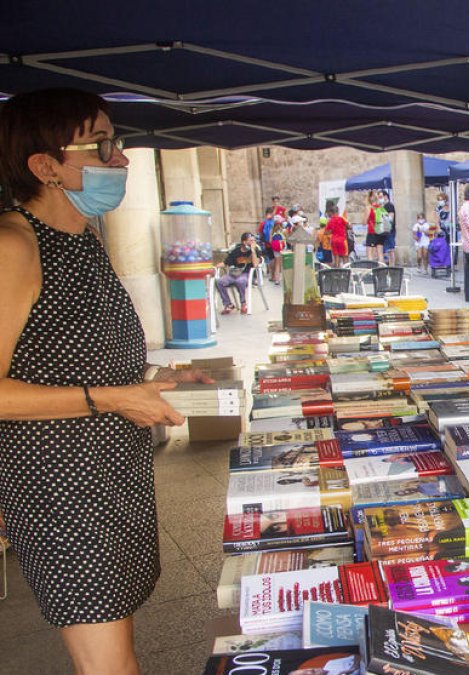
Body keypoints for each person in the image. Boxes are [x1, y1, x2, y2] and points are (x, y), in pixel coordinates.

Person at [0, 88, 213, 675]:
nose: (120, 160)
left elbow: (69, 356)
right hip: (60, 488)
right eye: (101, 145)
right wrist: (111, 397)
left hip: (110, 470)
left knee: (122, 637)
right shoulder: (14, 245)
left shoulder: (82, 241)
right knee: (109, 663)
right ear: (45, 166)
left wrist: (153, 377)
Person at [216, 232, 260, 314]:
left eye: (254, 241)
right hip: (235, 273)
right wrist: (216, 266)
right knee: (219, 282)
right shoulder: (236, 251)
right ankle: (228, 304)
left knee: (240, 281)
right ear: (244, 242)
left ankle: (243, 303)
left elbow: (255, 264)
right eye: (251, 241)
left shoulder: (255, 250)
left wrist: (253, 251)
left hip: (247, 274)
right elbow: (226, 262)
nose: (253, 243)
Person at [364, 191, 384, 262]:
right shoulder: (380, 208)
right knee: (380, 254)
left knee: (370, 254)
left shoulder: (369, 208)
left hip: (372, 232)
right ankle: (382, 270)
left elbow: (364, 222)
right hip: (380, 232)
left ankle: (372, 270)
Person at [378, 191, 397, 266]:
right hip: (383, 231)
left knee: (390, 250)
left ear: (385, 196)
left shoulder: (389, 205)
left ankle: (392, 266)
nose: (380, 199)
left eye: (381, 197)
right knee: (383, 250)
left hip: (389, 230)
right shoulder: (382, 206)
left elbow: (390, 218)